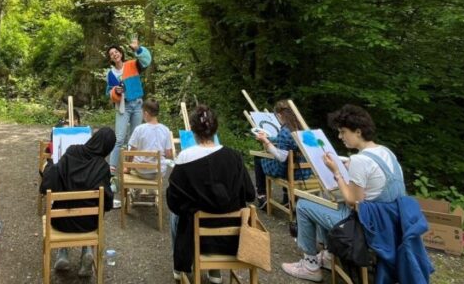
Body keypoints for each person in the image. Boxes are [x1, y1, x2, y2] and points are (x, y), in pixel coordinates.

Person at [282, 104, 407, 282]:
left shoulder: (360, 160)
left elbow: (352, 202)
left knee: (303, 204)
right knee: (327, 201)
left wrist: (336, 172)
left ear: (357, 131)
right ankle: (327, 256)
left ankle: (310, 265)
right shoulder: (386, 152)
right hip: (391, 223)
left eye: (343, 132)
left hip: (367, 228)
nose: (340, 137)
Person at [166, 105, 255, 284]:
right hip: (231, 236)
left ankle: (180, 265)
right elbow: (249, 193)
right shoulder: (235, 157)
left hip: (196, 234)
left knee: (176, 215)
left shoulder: (185, 157)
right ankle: (215, 271)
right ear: (215, 128)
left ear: (192, 130)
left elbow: (173, 201)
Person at [40, 127, 116, 277]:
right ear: (108, 148)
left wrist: (49, 165)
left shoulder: (72, 151)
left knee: (69, 205)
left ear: (94, 138)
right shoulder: (102, 166)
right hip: (89, 225)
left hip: (60, 222)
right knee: (89, 212)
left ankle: (63, 254)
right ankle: (87, 250)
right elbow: (107, 205)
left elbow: (50, 184)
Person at [252, 100, 311, 209]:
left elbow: (281, 157)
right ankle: (286, 197)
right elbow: (286, 141)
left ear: (279, 115)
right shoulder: (301, 127)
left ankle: (261, 196)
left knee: (258, 158)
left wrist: (265, 141)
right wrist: (268, 137)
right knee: (287, 160)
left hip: (289, 173)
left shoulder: (285, 131)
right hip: (305, 172)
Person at [106, 38, 152, 174]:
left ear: (121, 53)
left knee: (134, 138)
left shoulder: (132, 64)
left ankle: (130, 168)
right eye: (111, 54)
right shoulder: (111, 74)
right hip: (123, 106)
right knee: (119, 138)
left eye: (116, 51)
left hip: (137, 105)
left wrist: (138, 49)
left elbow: (147, 61)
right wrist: (116, 91)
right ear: (111, 59)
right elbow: (108, 92)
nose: (115, 54)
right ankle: (111, 171)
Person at [124, 98, 173, 179]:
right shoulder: (165, 129)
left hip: (142, 171)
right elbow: (168, 154)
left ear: (146, 113)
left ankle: (134, 183)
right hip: (160, 171)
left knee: (130, 147)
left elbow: (132, 151)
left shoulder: (139, 129)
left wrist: (128, 168)